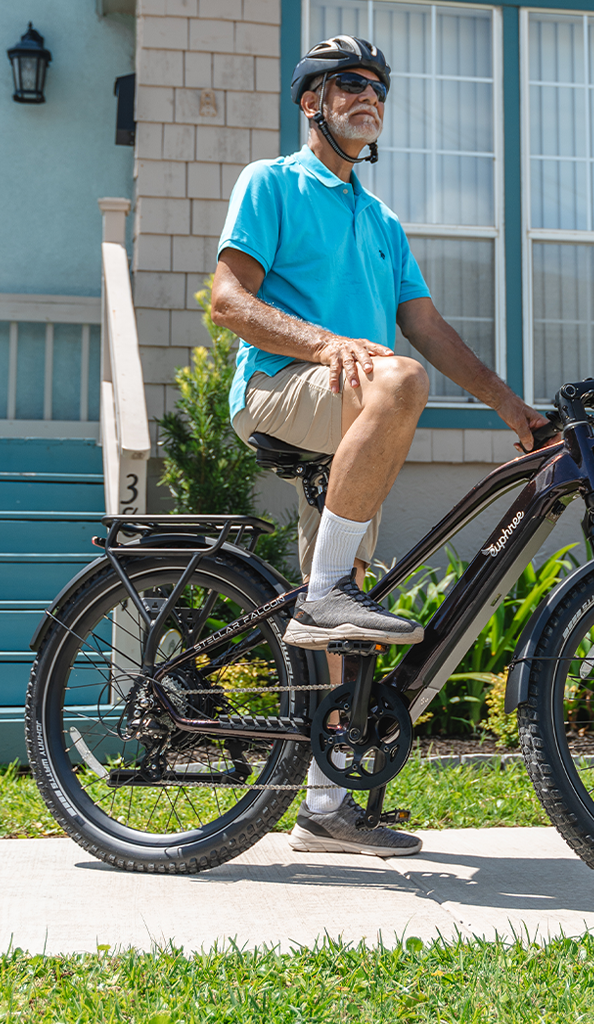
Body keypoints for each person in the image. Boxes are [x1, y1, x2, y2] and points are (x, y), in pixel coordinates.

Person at [211, 36, 548, 858]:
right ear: (311, 102)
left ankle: (325, 809)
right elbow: (227, 300)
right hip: (281, 391)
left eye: (378, 89)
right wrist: (326, 345)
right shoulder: (273, 183)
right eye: (349, 84)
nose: (369, 97)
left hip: (352, 416)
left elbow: (425, 328)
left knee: (346, 629)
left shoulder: (381, 219)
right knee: (394, 384)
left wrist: (514, 409)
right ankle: (325, 588)